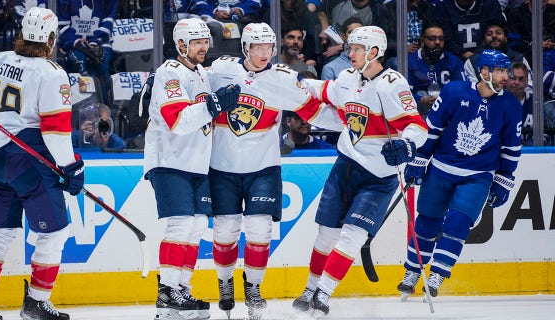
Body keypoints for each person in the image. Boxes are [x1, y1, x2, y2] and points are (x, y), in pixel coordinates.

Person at [0, 7, 84, 320]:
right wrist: (70, 166)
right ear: (51, 38)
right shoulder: (52, 73)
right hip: (31, 162)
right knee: (54, 233)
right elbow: (55, 131)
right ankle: (36, 302)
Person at [291, 25, 428, 316]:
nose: (349, 52)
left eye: (356, 48)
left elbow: (417, 126)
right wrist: (296, 80)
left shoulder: (392, 84)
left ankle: (324, 293)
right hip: (346, 166)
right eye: (349, 47)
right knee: (326, 235)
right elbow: (324, 90)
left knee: (353, 234)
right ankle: (309, 289)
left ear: (374, 52)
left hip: (379, 177)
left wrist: (406, 145)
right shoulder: (346, 77)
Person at [205, 22, 322, 320]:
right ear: (245, 47)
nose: (264, 53)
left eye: (268, 47)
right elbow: (193, 86)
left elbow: (313, 107)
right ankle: (225, 282)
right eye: (257, 47)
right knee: (225, 230)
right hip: (222, 167)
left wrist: (346, 116)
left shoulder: (282, 78)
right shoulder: (220, 69)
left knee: (260, 231)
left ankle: (254, 288)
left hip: (264, 168)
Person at [396, 49, 522, 299]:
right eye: (499, 71)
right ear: (484, 71)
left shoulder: (510, 105)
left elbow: (511, 148)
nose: (505, 76)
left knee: (458, 222)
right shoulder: (454, 91)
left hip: (478, 175)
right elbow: (431, 129)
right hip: (442, 169)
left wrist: (504, 179)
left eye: (506, 71)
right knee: (427, 222)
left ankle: (437, 275)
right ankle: (412, 271)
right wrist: (419, 160)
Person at [143, 18, 240, 320]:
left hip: (197, 163)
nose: (204, 47)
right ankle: (167, 291)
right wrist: (213, 104)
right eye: (196, 42)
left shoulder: (200, 72)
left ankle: (182, 289)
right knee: (181, 225)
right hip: (171, 161)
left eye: (205, 41)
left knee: (197, 227)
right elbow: (177, 120)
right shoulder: (169, 73)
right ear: (181, 44)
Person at [56, 0, 118, 102]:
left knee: (101, 62)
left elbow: (108, 21)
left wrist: (93, 44)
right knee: (80, 62)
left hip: (100, 42)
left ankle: (103, 106)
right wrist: (77, 42)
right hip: (72, 44)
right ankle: (86, 103)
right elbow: (62, 24)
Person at [408, 23, 465, 117]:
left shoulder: (454, 61)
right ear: (422, 41)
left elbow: (461, 91)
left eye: (441, 39)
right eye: (432, 38)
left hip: (447, 111)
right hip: (418, 113)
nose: (438, 42)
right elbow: (405, 95)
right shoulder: (409, 61)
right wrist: (422, 100)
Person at [429, 0, 504, 61]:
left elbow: (495, 33)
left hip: (487, 55)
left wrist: (478, 55)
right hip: (453, 58)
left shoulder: (489, 4)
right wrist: (467, 55)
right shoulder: (442, 8)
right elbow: (446, 39)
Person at [320, 16, 363, 80]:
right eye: (351, 32)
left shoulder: (373, 63)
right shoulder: (330, 68)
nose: (356, 36)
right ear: (343, 37)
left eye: (360, 32)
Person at [506, 61, 535, 145]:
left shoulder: (536, 103)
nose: (517, 82)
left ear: (527, 82)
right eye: (513, 78)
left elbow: (544, 136)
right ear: (506, 79)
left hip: (532, 154)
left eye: (521, 79)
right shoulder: (496, 102)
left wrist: (526, 148)